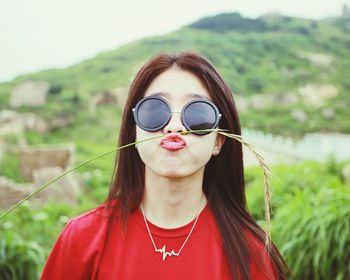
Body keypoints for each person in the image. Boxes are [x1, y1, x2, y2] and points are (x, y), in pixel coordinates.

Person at [41, 51, 289, 279]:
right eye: (155, 110)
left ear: (219, 140)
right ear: (135, 132)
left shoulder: (252, 253)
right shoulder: (81, 238)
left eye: (197, 113)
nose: (174, 126)